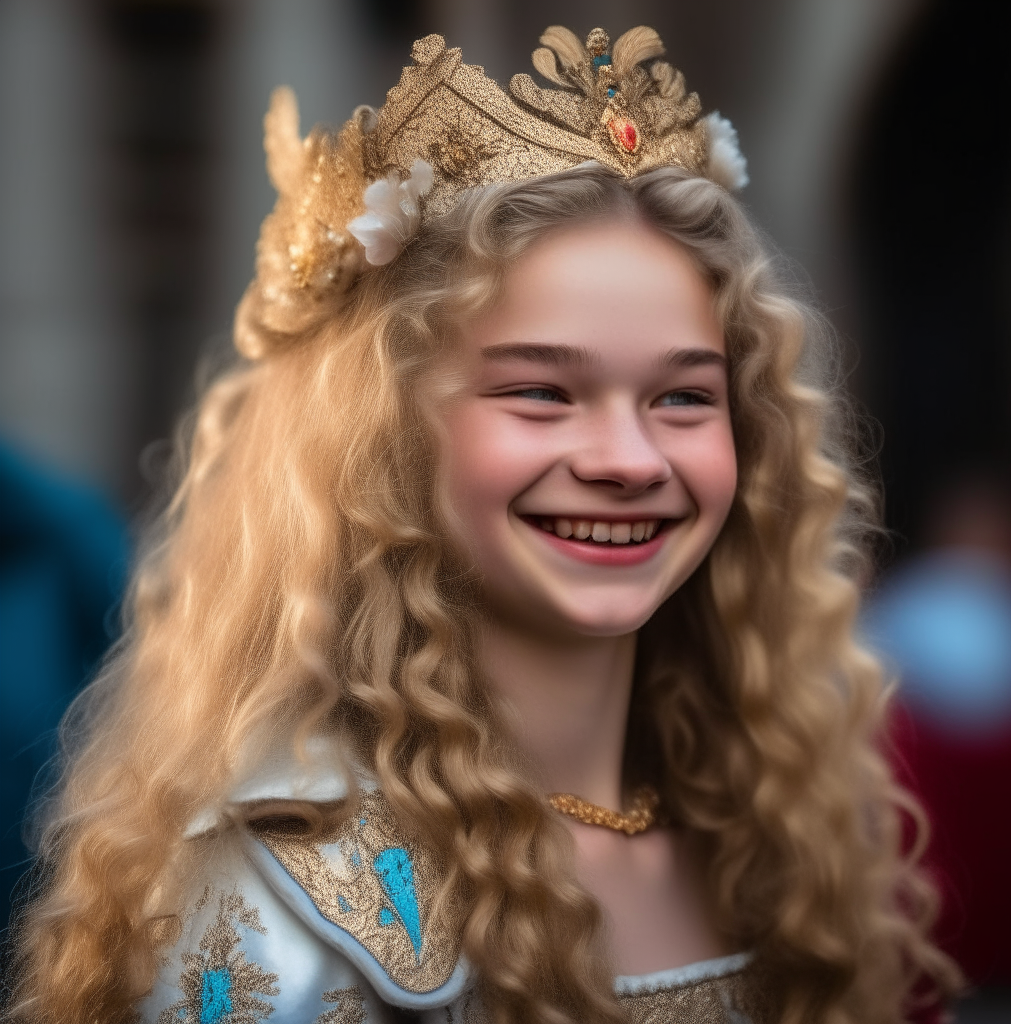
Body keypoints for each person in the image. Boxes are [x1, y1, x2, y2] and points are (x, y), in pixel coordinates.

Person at [7, 26, 958, 1024]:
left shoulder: (780, 838)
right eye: (542, 393)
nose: (628, 461)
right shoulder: (286, 905)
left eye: (683, 399)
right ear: (391, 440)